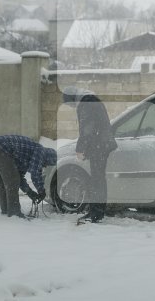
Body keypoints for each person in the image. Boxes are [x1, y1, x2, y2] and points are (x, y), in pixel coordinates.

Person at [62, 87, 117, 223]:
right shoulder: (92, 100)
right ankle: (97, 212)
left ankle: (95, 214)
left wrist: (80, 148)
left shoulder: (86, 103)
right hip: (102, 144)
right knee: (98, 179)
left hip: (99, 146)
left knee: (96, 180)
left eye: (70, 104)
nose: (72, 106)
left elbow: (87, 129)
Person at [0, 135, 57, 218]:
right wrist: (41, 191)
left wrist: (30, 192)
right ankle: (14, 213)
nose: (45, 166)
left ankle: (6, 209)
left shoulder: (27, 157)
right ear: (49, 158)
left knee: (4, 182)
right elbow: (35, 173)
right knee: (12, 181)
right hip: (0, 147)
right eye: (47, 164)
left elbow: (20, 178)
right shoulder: (41, 152)